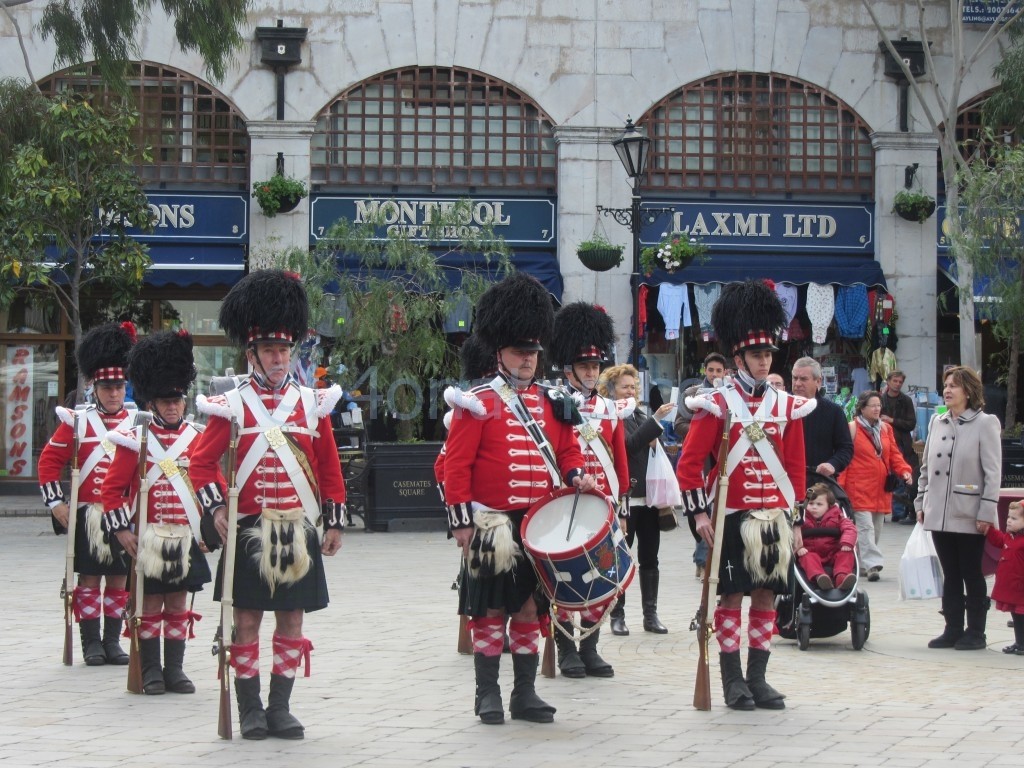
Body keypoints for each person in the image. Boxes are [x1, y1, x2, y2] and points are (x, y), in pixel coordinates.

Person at [189, 269, 347, 740]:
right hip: (248, 528)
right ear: (251, 353)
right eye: (270, 351)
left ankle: (280, 708)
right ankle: (249, 709)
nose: (279, 359)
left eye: (284, 351)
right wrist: (217, 508)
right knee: (246, 620)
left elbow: (329, 466)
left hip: (297, 527)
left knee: (292, 619)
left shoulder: (310, 402)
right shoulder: (231, 404)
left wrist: (335, 519)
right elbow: (201, 463)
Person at [443, 273, 595, 726]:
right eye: (518, 352)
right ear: (499, 353)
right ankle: (486, 695)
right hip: (491, 523)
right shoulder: (478, 401)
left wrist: (576, 473)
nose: (527, 360)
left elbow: (568, 450)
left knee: (529, 609)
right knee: (490, 611)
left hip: (538, 524)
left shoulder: (555, 401)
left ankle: (524, 693)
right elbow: (455, 466)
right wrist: (460, 521)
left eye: (532, 353)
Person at [676, 279, 813, 711]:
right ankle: (732, 679)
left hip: (772, 516)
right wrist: (700, 517)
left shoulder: (786, 405)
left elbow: (794, 468)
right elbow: (689, 465)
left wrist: (795, 522)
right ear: (738, 357)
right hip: (731, 516)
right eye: (756, 354)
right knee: (731, 598)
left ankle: (758, 678)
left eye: (768, 354)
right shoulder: (716, 402)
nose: (764, 360)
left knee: (767, 597)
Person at [100, 330, 213, 695]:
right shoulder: (135, 440)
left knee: (178, 604)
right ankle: (150, 669)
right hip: (148, 536)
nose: (172, 407)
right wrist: (122, 531)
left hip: (185, 535)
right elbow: (111, 490)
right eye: (165, 401)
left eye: (177, 400)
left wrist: (208, 532)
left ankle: (175, 669)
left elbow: (209, 489)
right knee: (149, 605)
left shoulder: (197, 439)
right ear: (152, 402)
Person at [38, 321, 138, 667]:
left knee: (119, 579)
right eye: (107, 387)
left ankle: (112, 641)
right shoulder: (76, 422)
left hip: (122, 514)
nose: (114, 393)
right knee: (89, 579)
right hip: (88, 514)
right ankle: (90, 642)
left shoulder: (137, 422)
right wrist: (57, 504)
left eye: (119, 386)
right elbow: (49, 463)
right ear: (94, 387)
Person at [547, 302, 631, 676]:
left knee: (603, 575)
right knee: (567, 578)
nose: (591, 373)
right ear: (568, 369)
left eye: (596, 367)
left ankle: (591, 645)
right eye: (584, 367)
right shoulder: (554, 404)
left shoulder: (611, 409)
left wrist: (622, 505)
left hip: (603, 501)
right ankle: (566, 646)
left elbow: (620, 463)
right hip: (566, 501)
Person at [915, 366, 1001, 651]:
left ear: (969, 391)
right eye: (946, 385)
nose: (948, 390)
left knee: (971, 572)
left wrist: (987, 512)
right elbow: (926, 468)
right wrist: (920, 501)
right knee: (950, 572)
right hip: (938, 511)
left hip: (970, 511)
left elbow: (993, 472)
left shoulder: (985, 423)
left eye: (954, 385)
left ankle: (976, 631)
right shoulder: (937, 422)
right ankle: (952, 628)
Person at [598, 363, 675, 638]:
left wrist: (654, 429)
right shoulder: (611, 417)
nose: (630, 391)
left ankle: (650, 615)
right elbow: (629, 445)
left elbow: (651, 449)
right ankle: (616, 616)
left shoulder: (640, 414)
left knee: (650, 558)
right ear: (610, 391)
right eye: (624, 387)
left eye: (633, 387)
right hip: (626, 500)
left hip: (650, 499)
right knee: (620, 560)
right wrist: (655, 423)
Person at [837, 391, 912, 582]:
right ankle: (872, 565)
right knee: (865, 528)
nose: (877, 409)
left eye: (879, 405)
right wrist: (839, 489)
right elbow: (845, 460)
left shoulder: (885, 429)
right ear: (862, 408)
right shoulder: (852, 428)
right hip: (858, 487)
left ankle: (861, 563)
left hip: (880, 489)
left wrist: (904, 470)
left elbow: (894, 454)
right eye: (873, 405)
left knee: (876, 528)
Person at [674, 351, 728, 578]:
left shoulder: (729, 395)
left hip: (721, 461)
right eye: (711, 370)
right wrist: (700, 435)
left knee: (715, 511)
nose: (715, 374)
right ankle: (701, 555)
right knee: (700, 510)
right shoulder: (693, 394)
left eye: (719, 370)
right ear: (704, 370)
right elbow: (679, 423)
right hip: (700, 459)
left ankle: (706, 559)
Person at [790, 357, 854, 480]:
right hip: (784, 482)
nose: (797, 383)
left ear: (818, 381)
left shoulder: (833, 411)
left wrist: (833, 464)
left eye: (803, 379)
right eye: (794, 378)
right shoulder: (780, 409)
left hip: (819, 483)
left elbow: (846, 448)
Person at [795, 482, 857, 591]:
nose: (814, 507)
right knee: (806, 557)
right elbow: (793, 534)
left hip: (833, 552)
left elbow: (849, 528)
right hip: (810, 552)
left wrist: (847, 542)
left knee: (846, 554)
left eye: (819, 504)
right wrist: (799, 547)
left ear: (829, 506)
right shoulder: (801, 519)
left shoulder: (837, 516)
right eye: (811, 503)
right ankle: (820, 578)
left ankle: (842, 577)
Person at [981, 500, 1024, 655]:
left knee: (1022, 615)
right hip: (1011, 585)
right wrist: (989, 528)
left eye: (1014, 518)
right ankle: (1019, 642)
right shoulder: (1009, 537)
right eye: (1008, 517)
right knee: (1016, 616)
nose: (1009, 521)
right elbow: (997, 539)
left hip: (1021, 586)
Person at [879, 371, 919, 522]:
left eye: (900, 382)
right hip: (883, 443)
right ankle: (887, 509)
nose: (897, 384)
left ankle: (899, 511)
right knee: (885, 476)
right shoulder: (881, 400)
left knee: (902, 477)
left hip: (901, 443)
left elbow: (911, 423)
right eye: (894, 381)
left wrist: (892, 420)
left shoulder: (906, 400)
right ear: (888, 381)